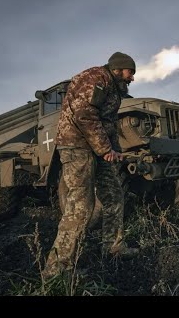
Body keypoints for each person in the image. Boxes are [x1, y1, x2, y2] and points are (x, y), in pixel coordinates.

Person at [43, 52, 139, 278]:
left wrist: (114, 151)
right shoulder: (96, 78)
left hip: (97, 149)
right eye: (130, 72)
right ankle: (56, 268)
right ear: (118, 68)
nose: (132, 78)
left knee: (114, 195)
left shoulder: (113, 88)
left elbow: (108, 123)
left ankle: (113, 247)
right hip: (77, 146)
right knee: (81, 205)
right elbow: (84, 115)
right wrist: (105, 149)